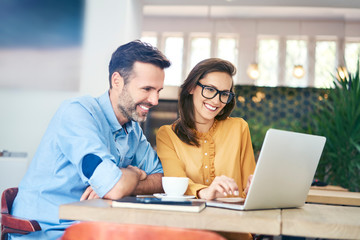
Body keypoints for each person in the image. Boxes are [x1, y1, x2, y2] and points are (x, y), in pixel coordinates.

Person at [10, 40, 171, 240]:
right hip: (44, 231)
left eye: (158, 91)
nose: (155, 100)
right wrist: (133, 172)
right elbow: (115, 188)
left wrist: (122, 183)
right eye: (147, 89)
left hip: (92, 228)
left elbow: (162, 179)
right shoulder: (78, 113)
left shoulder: (133, 129)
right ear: (117, 81)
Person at [156, 58, 255, 240]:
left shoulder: (239, 128)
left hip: (235, 234)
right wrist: (205, 192)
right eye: (210, 90)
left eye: (224, 94)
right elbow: (175, 184)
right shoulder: (167, 135)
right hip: (188, 234)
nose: (217, 101)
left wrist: (254, 190)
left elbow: (250, 187)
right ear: (192, 87)